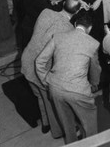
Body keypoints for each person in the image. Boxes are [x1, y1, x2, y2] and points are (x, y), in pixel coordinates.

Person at [35, 11, 101, 144]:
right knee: (90, 124)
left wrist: (46, 80)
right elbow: (95, 69)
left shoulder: (57, 37)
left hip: (55, 89)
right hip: (79, 91)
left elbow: (39, 62)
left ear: (75, 24)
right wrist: (94, 84)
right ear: (90, 28)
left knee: (67, 124)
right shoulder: (93, 43)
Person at [21, 0, 80, 138]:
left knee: (39, 96)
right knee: (51, 102)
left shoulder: (45, 12)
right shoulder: (69, 29)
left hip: (26, 60)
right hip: (41, 70)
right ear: (77, 12)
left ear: (63, 3)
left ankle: (45, 123)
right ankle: (57, 131)